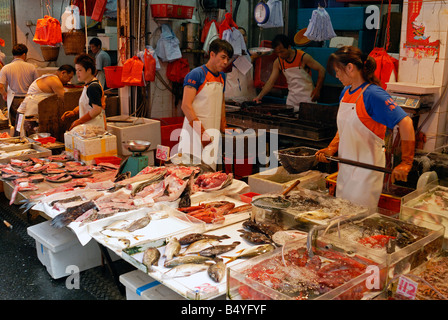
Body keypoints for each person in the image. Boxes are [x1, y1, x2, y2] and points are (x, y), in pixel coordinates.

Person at [315, 46, 415, 209]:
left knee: (359, 220)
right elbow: (345, 126)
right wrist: (331, 148)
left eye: (338, 70)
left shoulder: (373, 94)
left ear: (350, 68)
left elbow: (406, 123)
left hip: (366, 173)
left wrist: (406, 162)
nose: (337, 75)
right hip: (346, 169)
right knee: (342, 219)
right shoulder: (346, 92)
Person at [176, 39, 233, 170]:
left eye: (228, 59)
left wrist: (223, 127)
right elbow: (185, 105)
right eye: (223, 57)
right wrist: (201, 133)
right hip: (194, 134)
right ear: (212, 54)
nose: (225, 62)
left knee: (208, 173)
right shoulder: (196, 74)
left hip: (212, 133)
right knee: (190, 171)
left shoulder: (222, 77)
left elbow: (221, 102)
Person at [253, 34, 325, 111]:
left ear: (289, 47)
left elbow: (321, 70)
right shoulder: (278, 62)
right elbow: (270, 82)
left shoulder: (302, 57)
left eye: (282, 52)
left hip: (308, 99)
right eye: (277, 53)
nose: (280, 55)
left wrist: (317, 89)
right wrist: (259, 96)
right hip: (292, 100)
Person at [15, 65, 75, 136]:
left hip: (23, 111)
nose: (69, 80)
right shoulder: (54, 80)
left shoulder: (48, 77)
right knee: (24, 136)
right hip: (28, 113)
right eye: (69, 77)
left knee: (19, 133)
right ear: (63, 73)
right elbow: (64, 98)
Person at [61, 53, 106, 131]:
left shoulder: (93, 87)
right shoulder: (88, 85)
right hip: (90, 128)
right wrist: (74, 112)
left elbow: (96, 110)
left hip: (95, 129)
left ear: (89, 70)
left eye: (80, 70)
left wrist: (78, 121)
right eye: (76, 70)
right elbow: (89, 104)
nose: (77, 73)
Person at [0, 43, 38, 126]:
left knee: (16, 124)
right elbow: (37, 85)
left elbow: (0, 86)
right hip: (28, 98)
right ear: (24, 54)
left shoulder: (6, 68)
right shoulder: (32, 67)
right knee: (27, 123)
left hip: (14, 99)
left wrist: (4, 94)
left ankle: (17, 138)